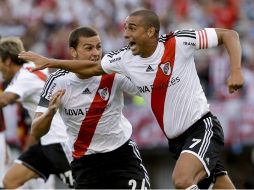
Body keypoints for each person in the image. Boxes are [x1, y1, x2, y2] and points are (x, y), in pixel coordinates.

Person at [19, 9, 244, 189]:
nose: (125, 34)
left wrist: (236, 70)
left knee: (182, 181)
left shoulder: (179, 42)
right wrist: (51, 66)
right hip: (168, 144)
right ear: (73, 51)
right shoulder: (122, 60)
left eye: (132, 29)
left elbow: (229, 35)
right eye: (125, 28)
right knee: (219, 185)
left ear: (150, 31)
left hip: (196, 129)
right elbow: (92, 68)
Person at [30, 26, 150, 189]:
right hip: (86, 165)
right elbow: (36, 131)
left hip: (122, 158)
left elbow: (148, 91)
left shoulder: (113, 73)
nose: (95, 53)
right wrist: (50, 113)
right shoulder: (57, 81)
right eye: (89, 48)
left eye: (98, 47)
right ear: (73, 52)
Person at [0, 37, 74, 189]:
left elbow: (4, 100)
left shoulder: (24, 77)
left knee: (85, 184)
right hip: (45, 142)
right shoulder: (31, 67)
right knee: (10, 181)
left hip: (59, 141)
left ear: (7, 61)